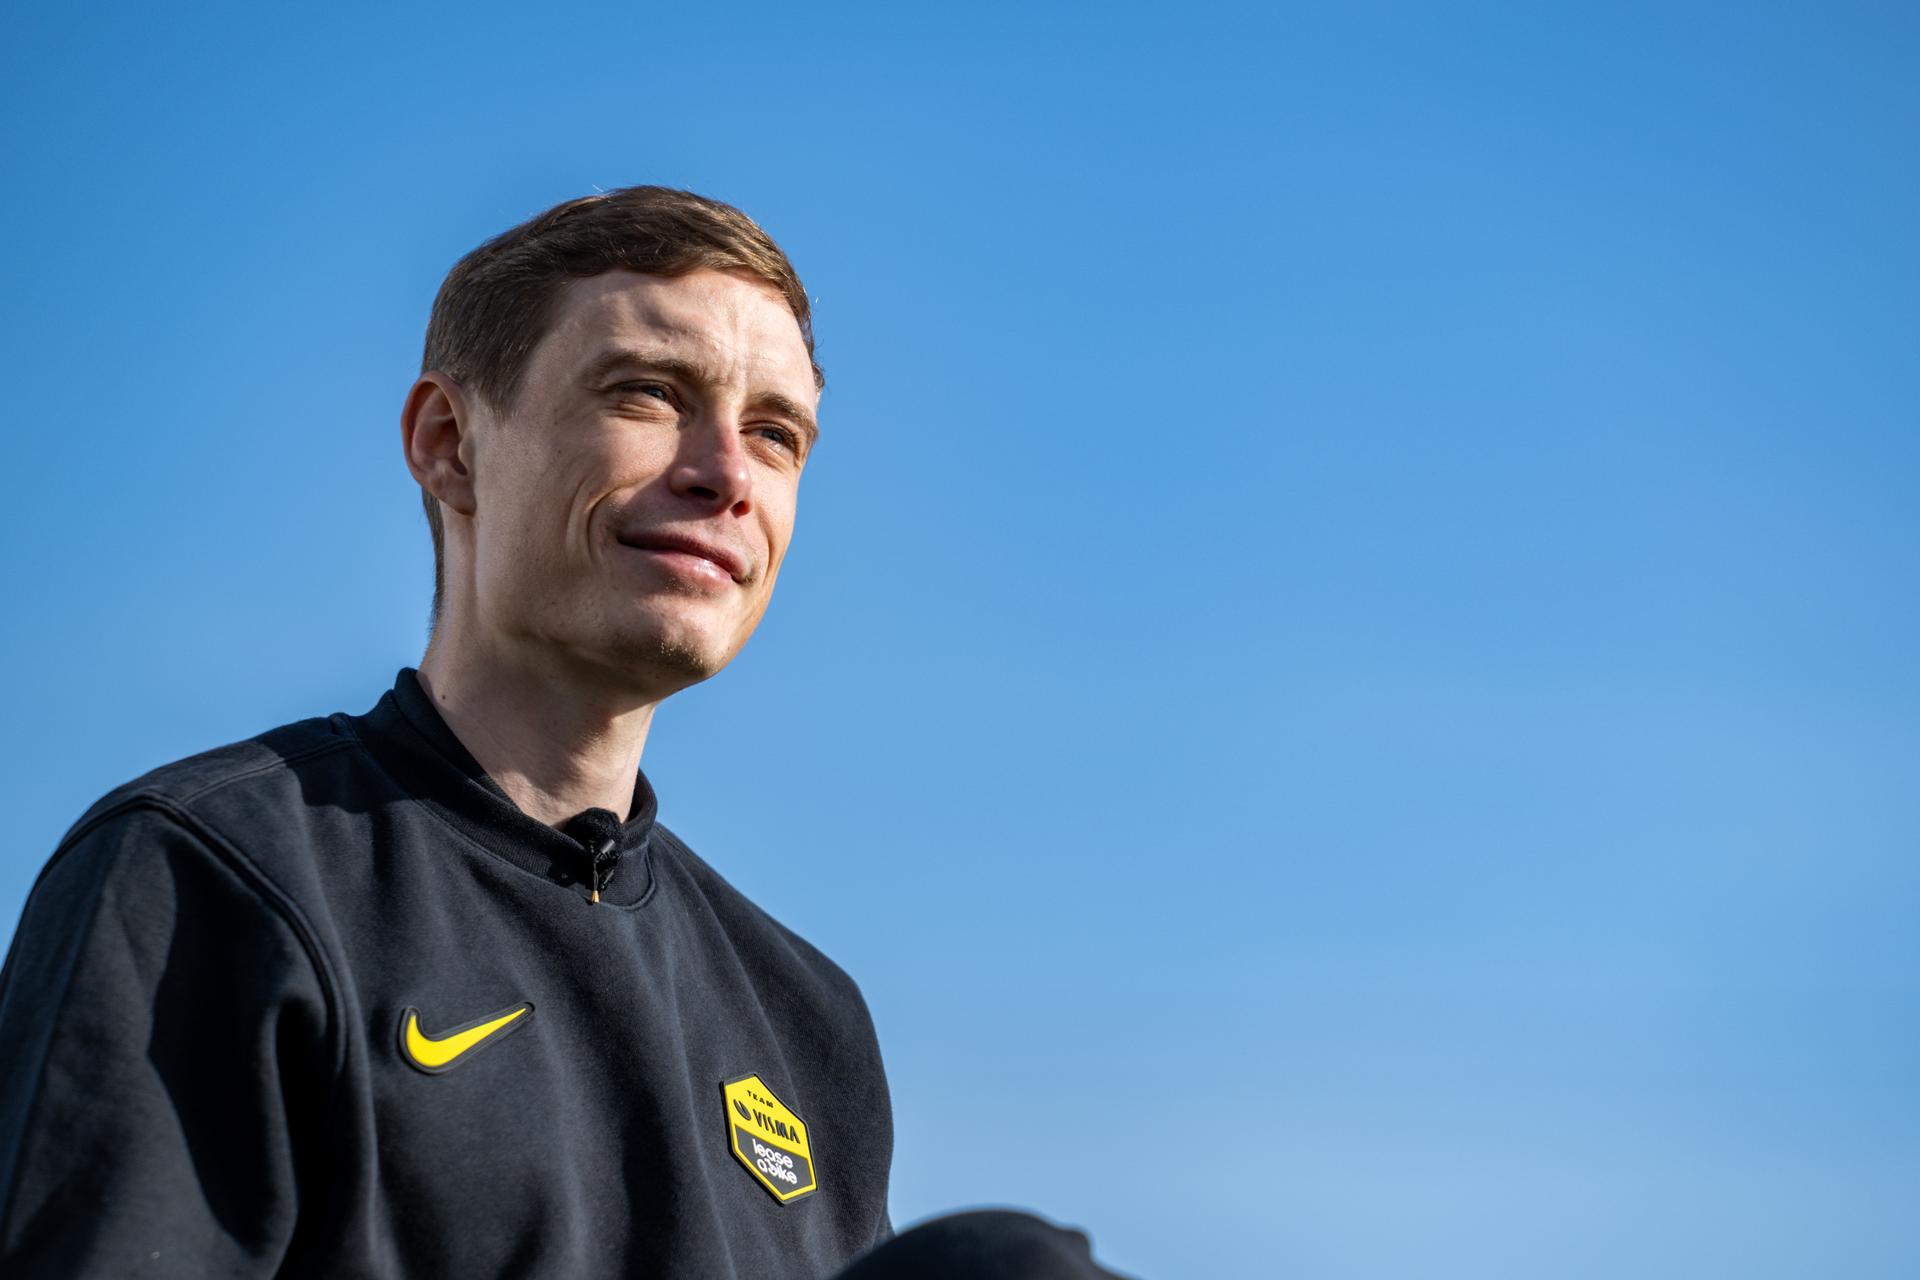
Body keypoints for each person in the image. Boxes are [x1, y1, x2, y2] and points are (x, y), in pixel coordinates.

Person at [0, 186, 1129, 1278]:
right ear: (451, 443)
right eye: (645, 392)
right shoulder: (216, 872)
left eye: (778, 433)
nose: (728, 474)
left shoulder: (808, 1015)